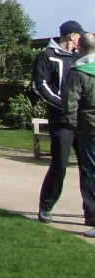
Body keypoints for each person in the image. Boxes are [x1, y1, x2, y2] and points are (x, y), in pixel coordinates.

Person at [32, 19, 95, 224]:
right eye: (79, 36)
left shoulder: (79, 58)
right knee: (60, 165)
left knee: (88, 167)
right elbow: (39, 86)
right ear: (72, 35)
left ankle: (91, 213)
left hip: (82, 122)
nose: (81, 40)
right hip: (61, 121)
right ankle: (46, 207)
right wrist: (64, 105)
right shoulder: (46, 56)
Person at [63, 32, 95, 237]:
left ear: (80, 48)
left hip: (90, 128)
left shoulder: (78, 71)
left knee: (92, 172)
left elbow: (70, 102)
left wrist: (74, 125)